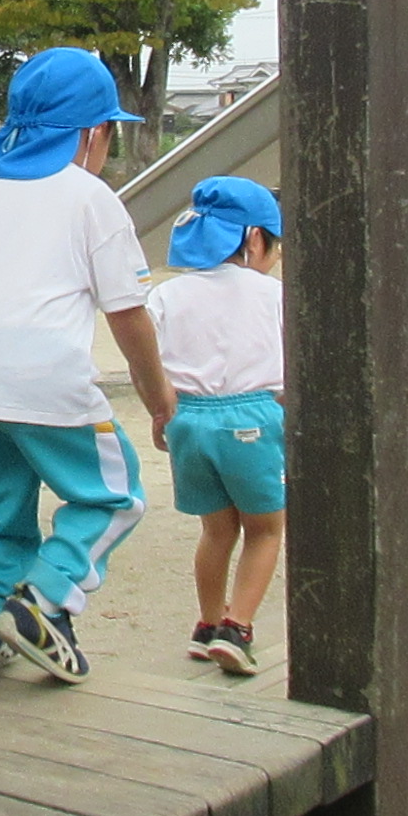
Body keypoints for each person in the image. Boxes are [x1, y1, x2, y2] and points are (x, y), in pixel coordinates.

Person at [0, 47, 176, 686]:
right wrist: (159, 399)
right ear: (92, 133)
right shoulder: (90, 197)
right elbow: (129, 316)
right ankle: (44, 601)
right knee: (116, 496)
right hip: (48, 381)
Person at [146, 176, 287, 675]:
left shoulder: (167, 294)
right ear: (254, 239)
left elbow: (151, 360)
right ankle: (237, 627)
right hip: (250, 415)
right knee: (265, 529)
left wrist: (160, 412)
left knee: (216, 529)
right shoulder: (272, 294)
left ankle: (207, 624)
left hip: (187, 419)